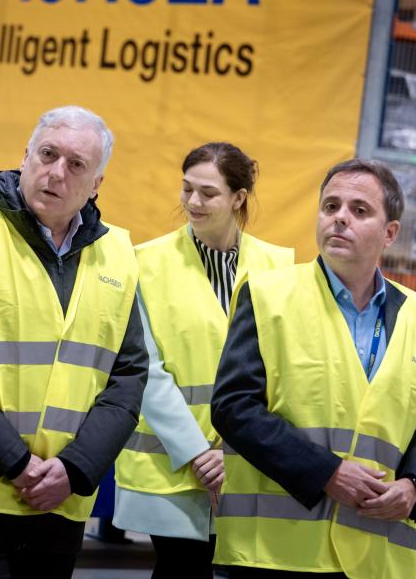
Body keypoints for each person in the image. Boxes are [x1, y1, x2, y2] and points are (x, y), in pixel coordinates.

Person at [0, 105, 149, 579]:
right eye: (47, 154)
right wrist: (16, 464)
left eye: (76, 165)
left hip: (60, 496)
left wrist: (74, 470)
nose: (56, 172)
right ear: (25, 156)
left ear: (97, 183)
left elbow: (128, 376)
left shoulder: (117, 253)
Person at [211, 158, 416, 579]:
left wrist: (414, 485)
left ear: (390, 233)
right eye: (330, 206)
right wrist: (327, 473)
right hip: (275, 554)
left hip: (379, 554)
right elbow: (234, 406)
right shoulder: (268, 296)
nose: (340, 218)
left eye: (359, 211)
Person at [113, 142, 294, 578]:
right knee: (180, 569)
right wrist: (199, 453)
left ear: (238, 198)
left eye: (208, 193)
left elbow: (281, 372)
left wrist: (232, 452)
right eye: (187, 188)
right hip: (171, 464)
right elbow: (146, 367)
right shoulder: (145, 261)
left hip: (247, 460)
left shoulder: (280, 267)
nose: (193, 202)